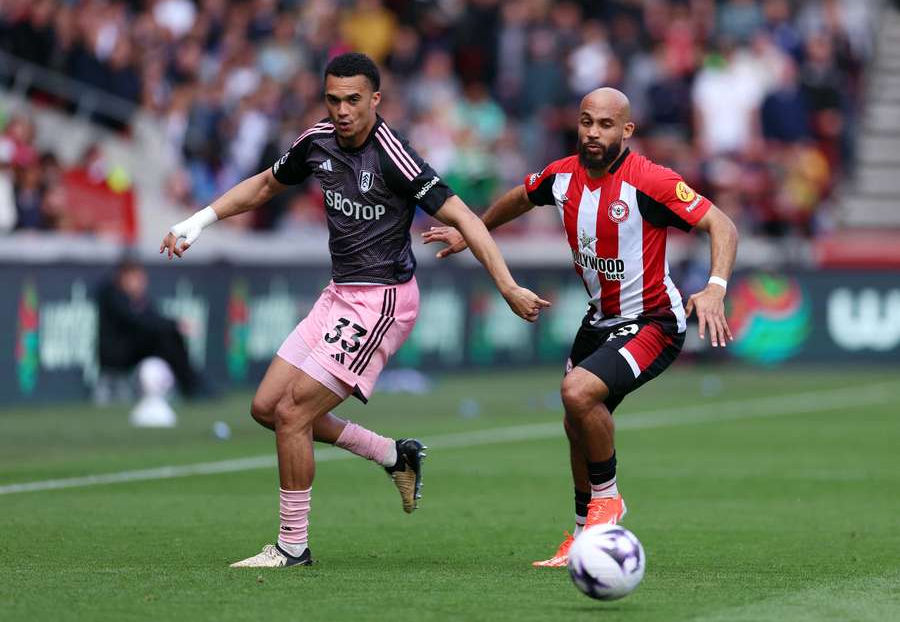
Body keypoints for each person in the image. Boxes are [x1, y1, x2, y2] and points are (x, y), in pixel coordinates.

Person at [159, 53, 550, 568]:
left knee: (294, 415)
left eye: (353, 100)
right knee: (266, 409)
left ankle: (292, 547)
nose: (342, 110)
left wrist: (507, 284)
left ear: (375, 100)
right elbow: (263, 185)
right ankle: (393, 454)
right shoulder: (316, 142)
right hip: (340, 293)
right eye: (334, 99)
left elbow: (465, 218)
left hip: (383, 300)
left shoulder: (395, 156)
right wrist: (199, 221)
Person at [423, 87, 738, 567]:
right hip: (601, 320)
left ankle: (608, 500)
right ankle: (582, 535)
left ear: (627, 130)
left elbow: (723, 225)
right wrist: (474, 230)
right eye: (586, 122)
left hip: (653, 321)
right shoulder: (561, 175)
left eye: (606, 125)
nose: (593, 132)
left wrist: (715, 286)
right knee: (576, 422)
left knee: (576, 392)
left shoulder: (649, 180)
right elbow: (520, 197)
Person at [96, 258, 204, 398]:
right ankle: (190, 385)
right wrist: (176, 325)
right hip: (118, 357)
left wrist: (174, 325)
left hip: (136, 351)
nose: (141, 283)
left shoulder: (138, 298)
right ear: (124, 277)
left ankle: (191, 382)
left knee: (169, 335)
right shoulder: (112, 296)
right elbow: (139, 321)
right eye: (136, 278)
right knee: (166, 334)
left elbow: (153, 318)